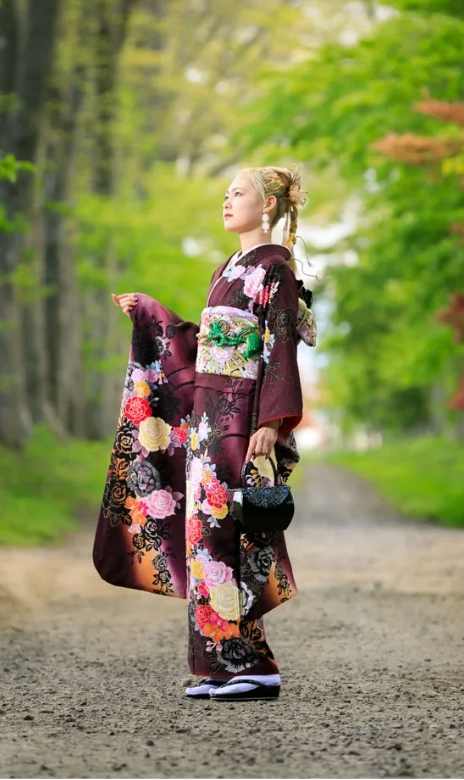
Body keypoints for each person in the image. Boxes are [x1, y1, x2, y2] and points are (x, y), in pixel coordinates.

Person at [93, 165, 316, 702]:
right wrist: (150, 312)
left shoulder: (275, 271)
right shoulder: (226, 269)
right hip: (208, 418)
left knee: (230, 532)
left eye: (238, 193)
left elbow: (279, 347)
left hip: (242, 418)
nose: (226, 201)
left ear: (267, 205)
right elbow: (202, 346)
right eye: (226, 193)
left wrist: (271, 422)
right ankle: (226, 664)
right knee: (203, 535)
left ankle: (252, 664)